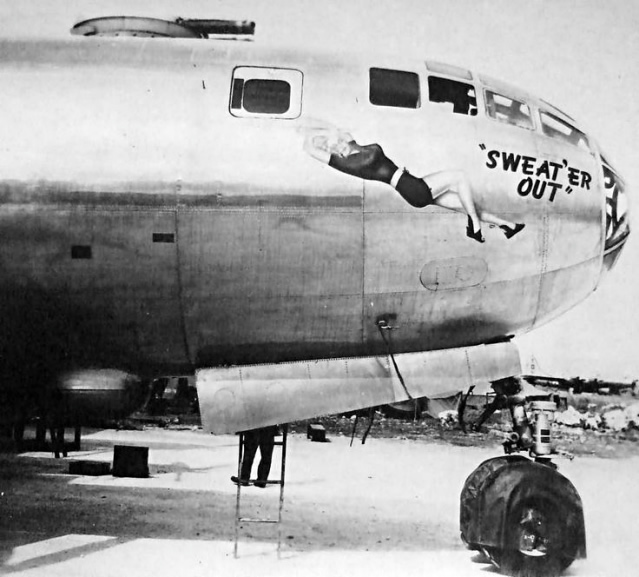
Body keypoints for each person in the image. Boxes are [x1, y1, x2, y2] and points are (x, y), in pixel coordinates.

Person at [303, 125, 525, 242]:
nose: (340, 148)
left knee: (467, 206)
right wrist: (319, 139)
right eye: (336, 149)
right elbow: (310, 148)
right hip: (413, 189)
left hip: (412, 185)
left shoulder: (354, 145)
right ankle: (474, 227)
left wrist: (329, 134)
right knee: (459, 177)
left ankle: (508, 226)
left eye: (338, 144)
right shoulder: (346, 164)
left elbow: (341, 132)